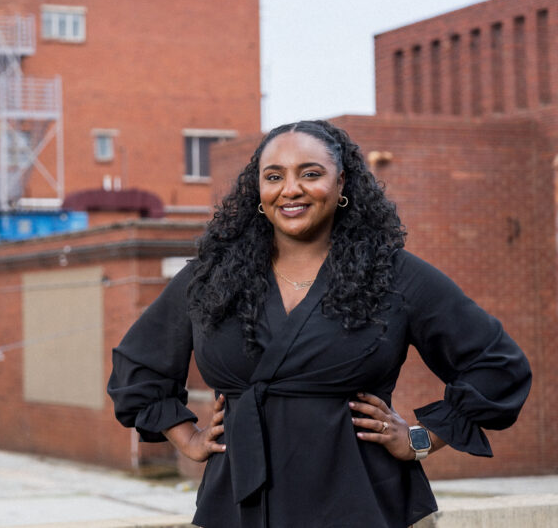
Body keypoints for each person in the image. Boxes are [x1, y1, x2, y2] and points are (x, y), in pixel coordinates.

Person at [107, 120, 531, 527]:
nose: (290, 189)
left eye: (310, 174)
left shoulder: (394, 276)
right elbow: (138, 370)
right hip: (240, 508)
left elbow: (498, 366)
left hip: (359, 504)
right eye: (274, 176)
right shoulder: (210, 278)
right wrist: (188, 438)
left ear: (341, 183)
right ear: (258, 190)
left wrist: (421, 439)